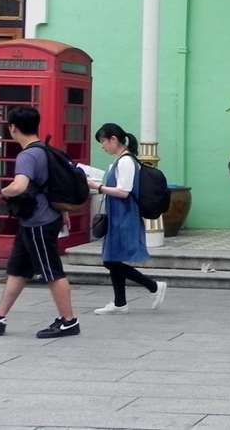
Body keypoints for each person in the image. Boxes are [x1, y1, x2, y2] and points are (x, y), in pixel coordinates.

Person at [0, 106, 81, 339]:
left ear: (13, 128)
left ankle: (69, 321)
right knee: (18, 269)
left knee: (52, 272)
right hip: (35, 220)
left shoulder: (27, 155)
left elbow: (19, 186)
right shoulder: (45, 150)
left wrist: (2, 193)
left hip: (39, 222)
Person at [89, 123, 166, 315]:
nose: (102, 147)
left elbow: (124, 192)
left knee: (111, 260)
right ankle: (120, 303)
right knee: (112, 259)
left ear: (114, 139)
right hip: (118, 215)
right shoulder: (122, 160)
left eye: (103, 142)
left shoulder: (125, 162)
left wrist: (97, 187)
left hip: (124, 216)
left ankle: (154, 286)